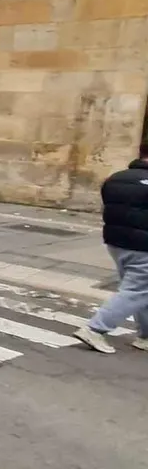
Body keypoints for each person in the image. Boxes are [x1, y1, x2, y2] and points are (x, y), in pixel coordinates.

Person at [72, 143, 148, 354]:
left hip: (116, 242)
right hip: (143, 245)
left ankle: (145, 336)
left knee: (139, 290)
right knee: (136, 290)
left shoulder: (115, 178)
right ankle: (95, 329)